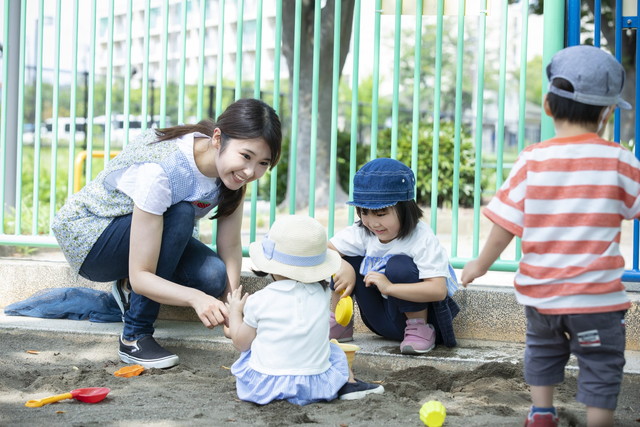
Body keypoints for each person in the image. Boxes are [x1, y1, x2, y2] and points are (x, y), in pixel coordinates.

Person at [461, 45, 639, 427]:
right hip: (596, 300)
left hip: (541, 296)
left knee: (541, 351)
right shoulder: (621, 161)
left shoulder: (531, 160)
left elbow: (506, 224)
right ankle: (599, 420)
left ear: (546, 105)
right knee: (602, 361)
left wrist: (479, 264)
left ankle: (542, 412)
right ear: (607, 113)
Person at [52, 98, 282, 369]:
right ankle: (135, 336)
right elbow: (142, 275)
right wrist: (195, 298)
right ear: (218, 138)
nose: (250, 171)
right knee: (181, 213)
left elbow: (230, 245)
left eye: (262, 163)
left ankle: (125, 290)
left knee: (212, 276)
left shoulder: (233, 175)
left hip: (140, 235)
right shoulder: (163, 170)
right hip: (93, 239)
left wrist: (232, 306)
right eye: (246, 156)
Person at [225, 215, 384, 405]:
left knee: (253, 346)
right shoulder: (321, 294)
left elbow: (241, 343)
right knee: (333, 350)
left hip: (265, 386)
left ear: (271, 265)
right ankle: (349, 383)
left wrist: (235, 313)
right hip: (315, 386)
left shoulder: (259, 300)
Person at [328, 158, 459, 354]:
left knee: (399, 264)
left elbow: (438, 289)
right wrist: (343, 266)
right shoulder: (364, 231)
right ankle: (340, 322)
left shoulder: (421, 238)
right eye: (364, 212)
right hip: (379, 319)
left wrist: (390, 287)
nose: (373, 223)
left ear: (405, 208)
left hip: (414, 321)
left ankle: (419, 328)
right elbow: (326, 250)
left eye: (381, 214)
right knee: (343, 257)